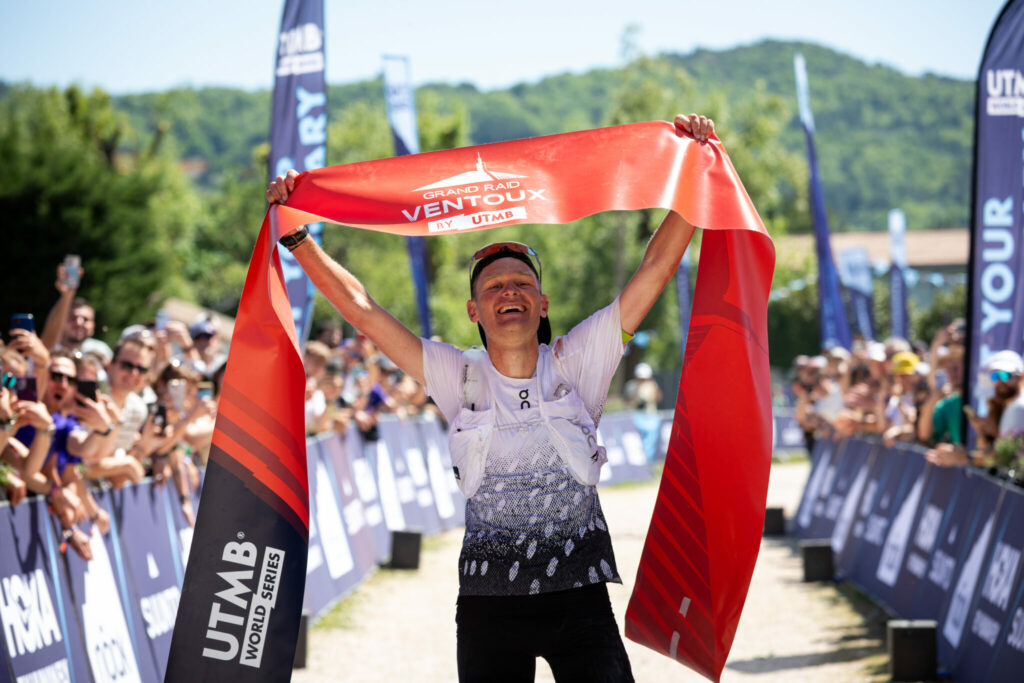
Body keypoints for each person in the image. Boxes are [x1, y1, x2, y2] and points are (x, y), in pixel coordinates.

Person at [267, 112, 715, 682]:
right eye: (495, 287)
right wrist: (298, 237)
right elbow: (362, 311)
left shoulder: (579, 362)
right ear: (475, 312)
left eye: (522, 284)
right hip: (488, 606)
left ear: (542, 304)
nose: (510, 292)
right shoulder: (457, 375)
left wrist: (692, 175)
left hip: (582, 600)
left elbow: (655, 268)